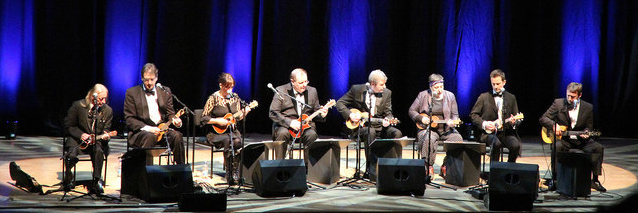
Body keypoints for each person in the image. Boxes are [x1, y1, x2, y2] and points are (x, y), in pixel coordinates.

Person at [539, 82, 606, 192]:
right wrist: (554, 125)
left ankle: (595, 180)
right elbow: (543, 118)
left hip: (581, 141)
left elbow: (589, 127)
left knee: (598, 148)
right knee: (557, 147)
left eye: (573, 96)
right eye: (568, 95)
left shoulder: (588, 107)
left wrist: (586, 133)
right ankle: (555, 180)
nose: (569, 99)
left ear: (579, 95)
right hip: (564, 140)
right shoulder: (558, 103)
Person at [336, 69, 402, 177]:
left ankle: (392, 167)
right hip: (362, 128)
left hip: (381, 127)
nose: (384, 87)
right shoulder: (356, 90)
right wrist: (350, 114)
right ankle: (371, 168)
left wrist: (387, 120)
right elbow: (340, 103)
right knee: (370, 132)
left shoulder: (387, 93)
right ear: (372, 84)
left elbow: (388, 113)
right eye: (381, 84)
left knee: (397, 133)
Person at [124, 63, 185, 165]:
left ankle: (181, 171)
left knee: (177, 136)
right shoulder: (132, 93)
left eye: (152, 79)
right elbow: (130, 119)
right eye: (146, 79)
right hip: (141, 133)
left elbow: (170, 114)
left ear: (156, 78)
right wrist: (149, 128)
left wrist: (176, 121)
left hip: (162, 130)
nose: (149, 83)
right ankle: (146, 174)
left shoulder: (165, 91)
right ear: (142, 79)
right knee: (150, 136)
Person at [201, 73, 252, 184]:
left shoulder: (235, 97)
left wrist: (245, 112)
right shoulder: (213, 98)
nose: (230, 90)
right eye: (227, 87)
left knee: (238, 141)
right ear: (221, 85)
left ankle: (235, 171)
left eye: (231, 87)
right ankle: (228, 173)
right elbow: (204, 118)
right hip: (215, 132)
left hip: (231, 131)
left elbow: (237, 118)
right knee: (228, 141)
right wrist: (217, 120)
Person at [408, 74, 463, 177]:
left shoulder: (450, 96)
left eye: (441, 87)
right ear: (431, 87)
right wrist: (422, 118)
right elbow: (411, 111)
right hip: (429, 129)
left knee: (457, 138)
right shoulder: (423, 95)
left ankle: (446, 165)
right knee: (428, 139)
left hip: (446, 129)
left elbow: (455, 115)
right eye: (436, 87)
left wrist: (452, 122)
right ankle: (428, 166)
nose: (439, 90)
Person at [269, 68, 328, 159]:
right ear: (292, 82)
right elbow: (273, 113)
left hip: (305, 127)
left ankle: (308, 169)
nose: (304, 85)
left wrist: (322, 114)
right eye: (301, 83)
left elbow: (316, 111)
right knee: (282, 134)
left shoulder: (312, 91)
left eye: (306, 81)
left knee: (311, 135)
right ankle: (279, 167)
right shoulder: (281, 90)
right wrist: (290, 123)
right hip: (285, 126)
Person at [64, 83, 113, 193]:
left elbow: (107, 130)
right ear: (93, 97)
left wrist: (105, 136)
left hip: (96, 141)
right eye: (101, 98)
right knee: (70, 154)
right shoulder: (78, 106)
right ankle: (68, 176)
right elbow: (69, 126)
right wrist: (81, 135)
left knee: (99, 152)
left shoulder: (107, 110)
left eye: (105, 98)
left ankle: (96, 180)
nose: (104, 102)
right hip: (77, 140)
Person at [469, 69, 522, 163]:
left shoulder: (511, 97)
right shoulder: (483, 97)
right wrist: (484, 124)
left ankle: (508, 169)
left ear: (504, 82)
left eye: (498, 84)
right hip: (487, 134)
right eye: (493, 84)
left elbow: (517, 118)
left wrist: (514, 122)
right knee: (496, 143)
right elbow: (473, 115)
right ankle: (494, 172)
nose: (495, 86)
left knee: (515, 145)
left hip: (505, 132)